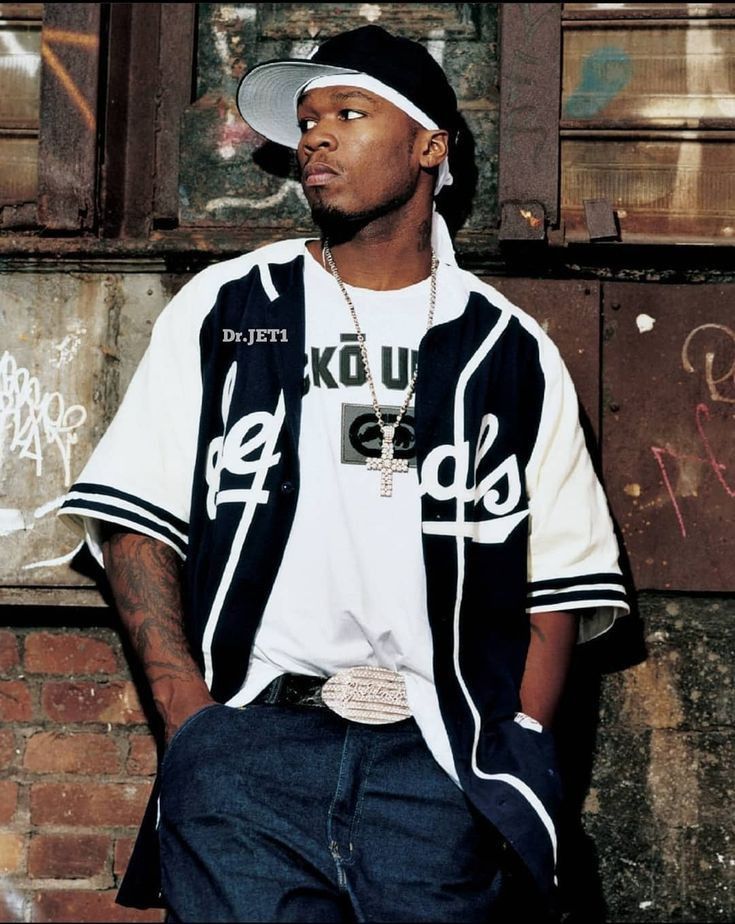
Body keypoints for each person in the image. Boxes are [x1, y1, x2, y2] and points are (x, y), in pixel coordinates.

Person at [59, 24, 629, 924]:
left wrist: (511, 739)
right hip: (253, 752)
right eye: (308, 120)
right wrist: (194, 725)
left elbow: (558, 584)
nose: (314, 136)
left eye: (348, 113)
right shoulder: (232, 309)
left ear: (429, 146)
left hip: (439, 770)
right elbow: (136, 520)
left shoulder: (505, 350)